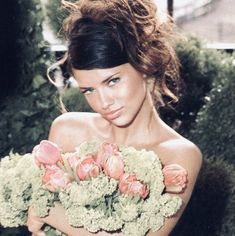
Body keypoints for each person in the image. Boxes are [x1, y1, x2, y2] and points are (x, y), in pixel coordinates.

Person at [27, 0, 202, 235]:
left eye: (112, 81)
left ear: (145, 64)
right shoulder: (67, 131)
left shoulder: (180, 155)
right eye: (89, 90)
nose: (103, 102)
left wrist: (50, 212)